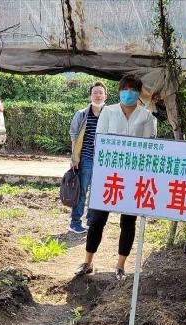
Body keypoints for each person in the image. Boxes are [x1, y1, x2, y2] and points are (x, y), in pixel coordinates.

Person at [75, 74, 157, 280]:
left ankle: (120, 266)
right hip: (109, 176)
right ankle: (88, 261)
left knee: (128, 223)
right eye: (125, 89)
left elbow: (151, 146)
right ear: (120, 91)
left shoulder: (147, 117)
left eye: (133, 90)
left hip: (134, 178)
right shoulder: (108, 112)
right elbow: (99, 142)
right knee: (97, 220)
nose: (129, 93)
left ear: (139, 93)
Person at [68, 81, 108, 233]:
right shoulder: (81, 114)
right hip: (85, 158)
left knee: (97, 192)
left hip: (103, 160)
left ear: (106, 96)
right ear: (90, 96)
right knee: (81, 190)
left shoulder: (110, 115)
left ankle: (91, 221)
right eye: (95, 92)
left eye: (100, 92)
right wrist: (74, 158)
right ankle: (75, 222)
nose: (98, 95)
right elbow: (74, 136)